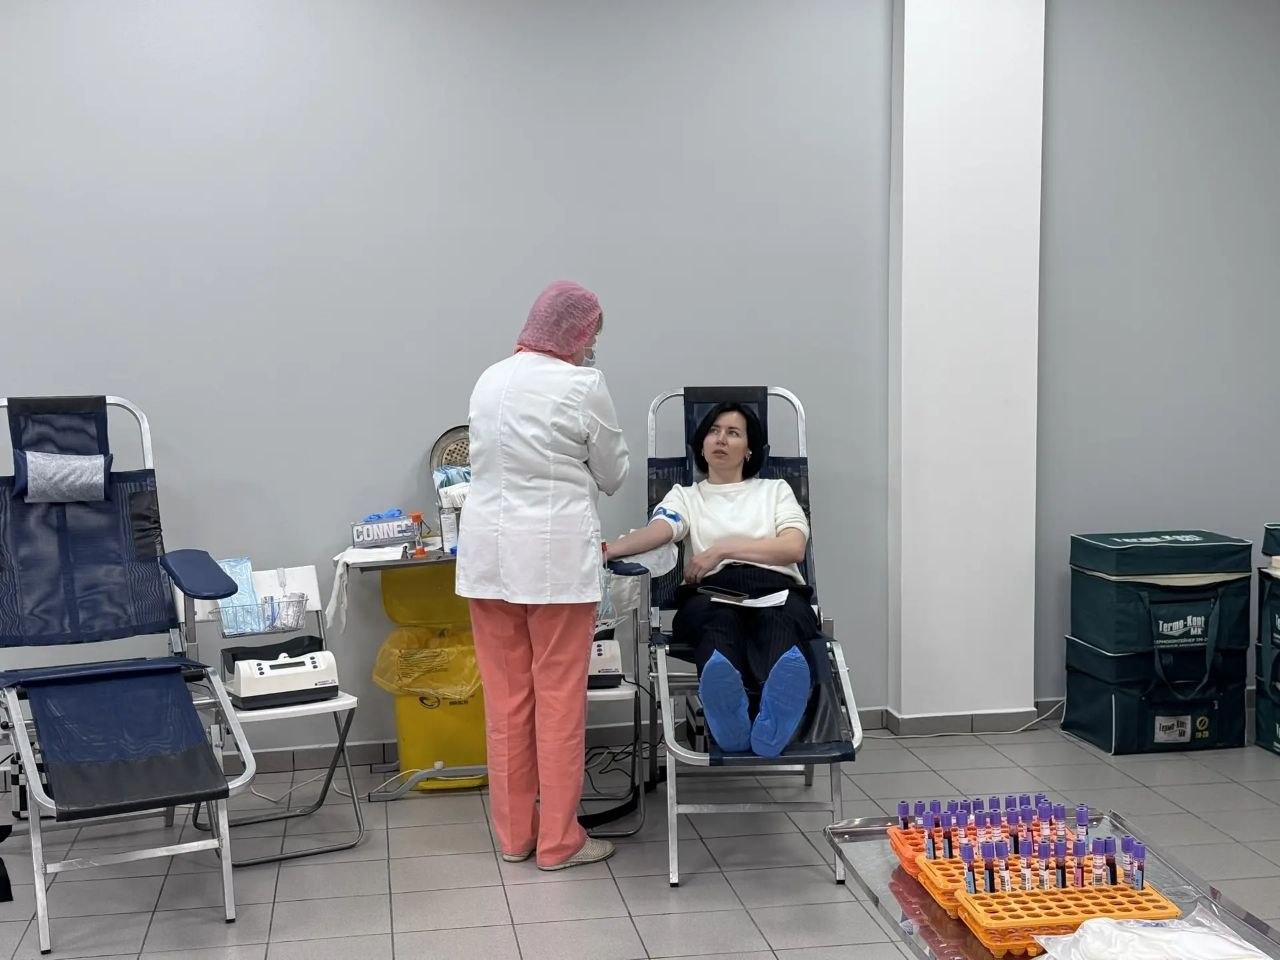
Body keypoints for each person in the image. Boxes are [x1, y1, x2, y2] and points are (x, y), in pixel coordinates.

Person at [455, 280, 629, 870]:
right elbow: (613, 473)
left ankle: (514, 837)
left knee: (506, 703)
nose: (592, 347)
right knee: (558, 700)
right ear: (578, 332)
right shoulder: (583, 384)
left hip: (487, 559)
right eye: (592, 336)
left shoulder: (490, 378)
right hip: (555, 561)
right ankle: (559, 842)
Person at [605, 401, 818, 758]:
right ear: (701, 445)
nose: (721, 439)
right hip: (712, 592)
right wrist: (608, 549)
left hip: (776, 588)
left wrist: (721, 550)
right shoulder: (686, 496)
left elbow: (793, 547)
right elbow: (661, 530)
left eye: (733, 433)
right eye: (713, 431)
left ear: (749, 449)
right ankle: (729, 713)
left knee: (780, 622)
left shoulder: (775, 490)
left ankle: (776, 715)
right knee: (716, 623)